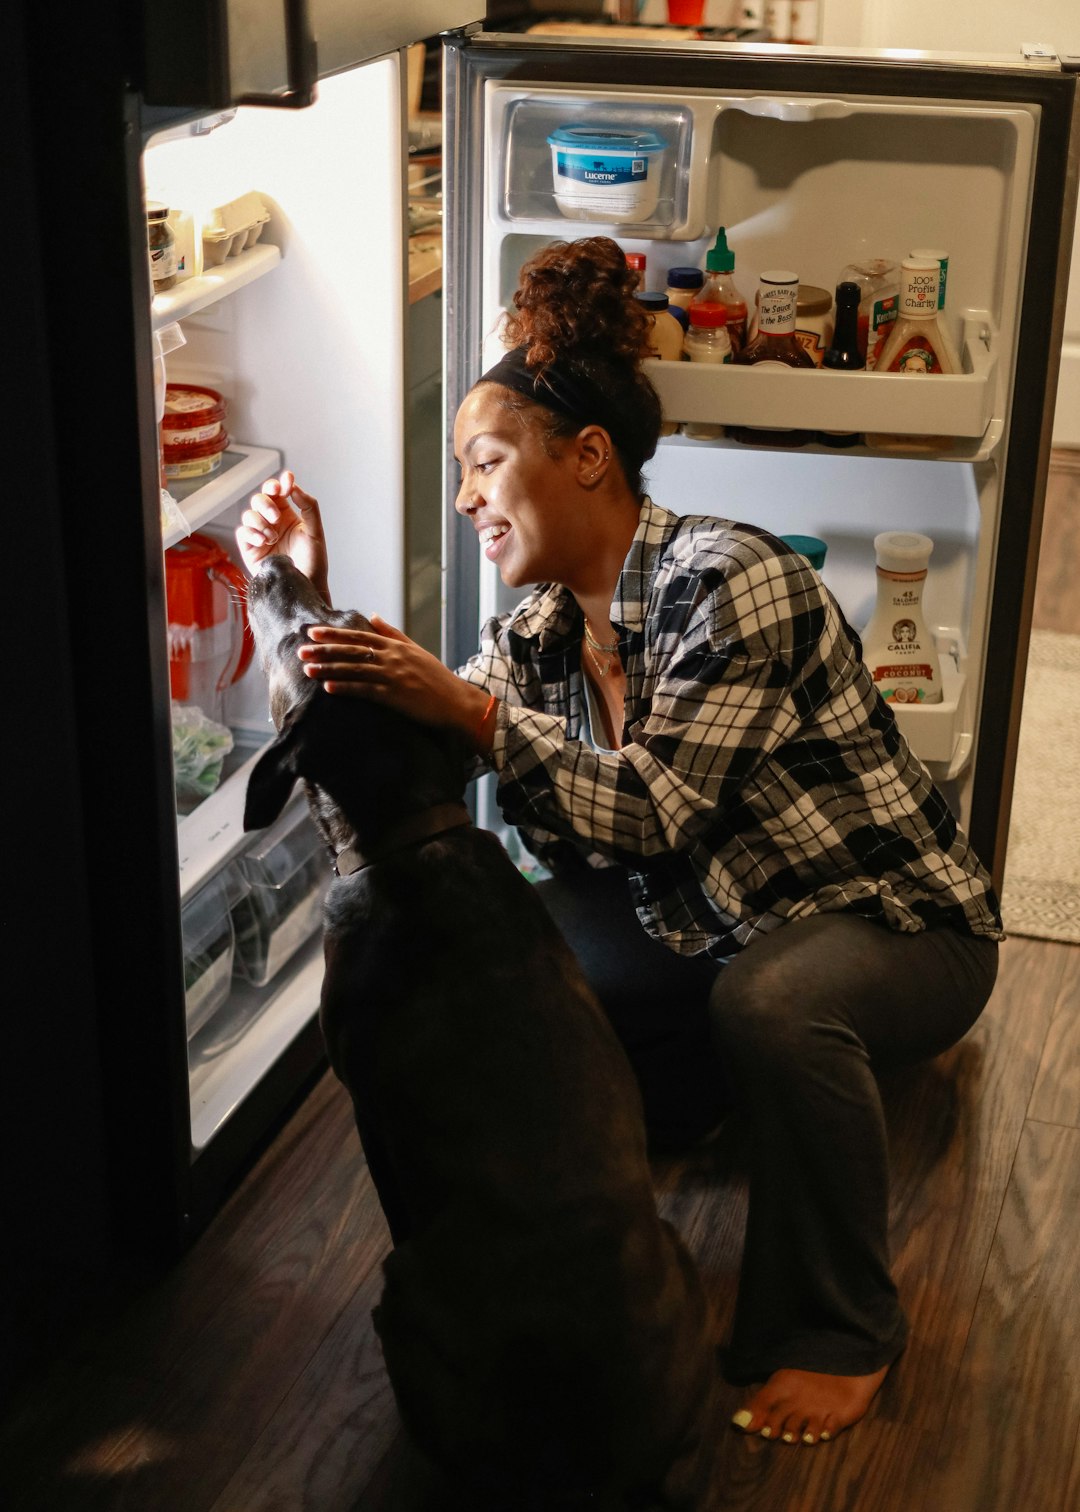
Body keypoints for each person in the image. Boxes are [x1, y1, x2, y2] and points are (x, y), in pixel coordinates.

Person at [236, 236, 1002, 1451]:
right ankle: (696, 1095)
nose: (468, 497)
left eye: (486, 463)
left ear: (588, 458)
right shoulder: (539, 629)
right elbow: (421, 734)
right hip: (707, 923)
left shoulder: (729, 579)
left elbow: (653, 811)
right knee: (533, 952)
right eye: (462, 473)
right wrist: (308, 589)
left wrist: (478, 713)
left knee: (778, 1003)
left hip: (888, 927)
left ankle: (841, 1329)